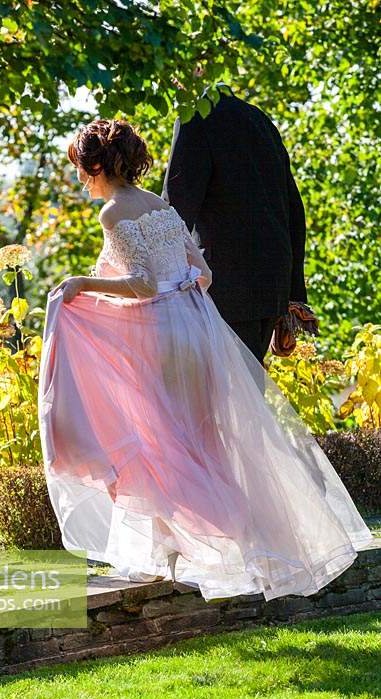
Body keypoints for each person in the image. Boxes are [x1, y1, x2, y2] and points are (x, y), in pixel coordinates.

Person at [37, 118, 372, 602]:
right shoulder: (161, 207)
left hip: (163, 339)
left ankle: (203, 548)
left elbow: (143, 284)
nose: (79, 179)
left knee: (162, 442)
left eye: (80, 169)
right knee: (198, 437)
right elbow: (204, 273)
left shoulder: (114, 213)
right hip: (196, 330)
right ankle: (212, 549)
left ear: (94, 166)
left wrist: (80, 285)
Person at [162, 87, 309, 367]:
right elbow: (294, 210)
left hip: (223, 286)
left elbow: (176, 208)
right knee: (249, 394)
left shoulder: (196, 114)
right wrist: (294, 296)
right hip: (272, 285)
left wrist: (152, 279)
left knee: (220, 399)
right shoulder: (260, 120)